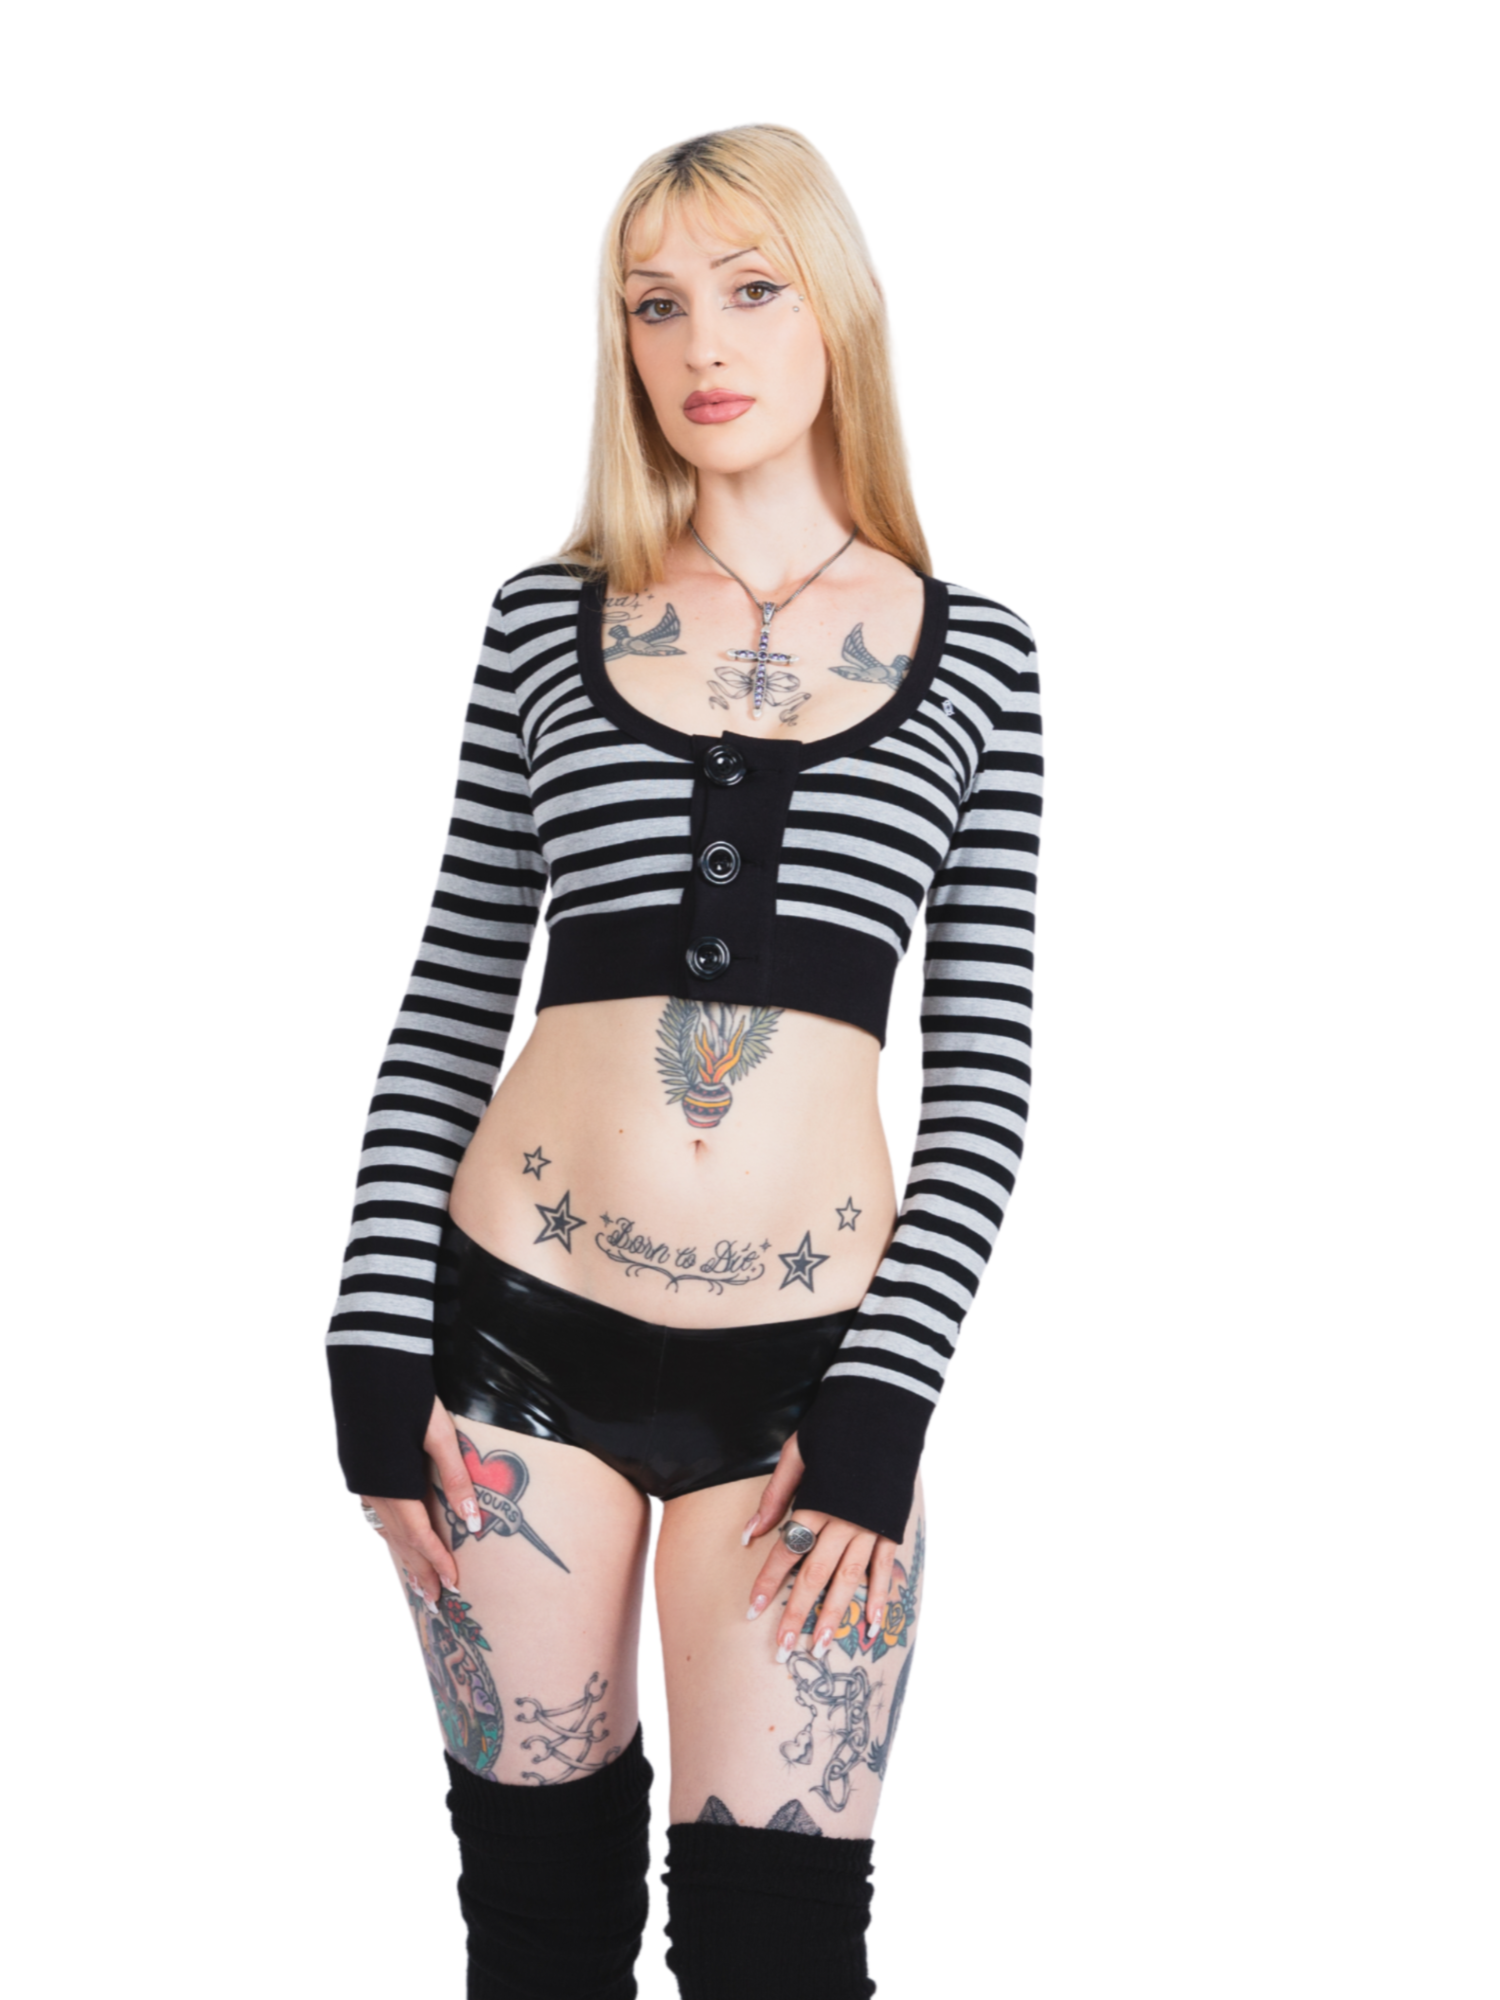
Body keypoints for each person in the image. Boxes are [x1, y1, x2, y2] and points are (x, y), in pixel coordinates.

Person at [325, 122, 1044, 1999]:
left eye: (748, 289)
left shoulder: (979, 661)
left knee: (779, 1957)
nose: (700, 342)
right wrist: (371, 1330)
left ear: (837, 310)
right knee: (538, 1935)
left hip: (811, 1383)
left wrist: (890, 1401)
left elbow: (985, 1076)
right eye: (654, 304)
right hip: (510, 1347)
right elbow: (454, 991)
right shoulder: (542, 623)